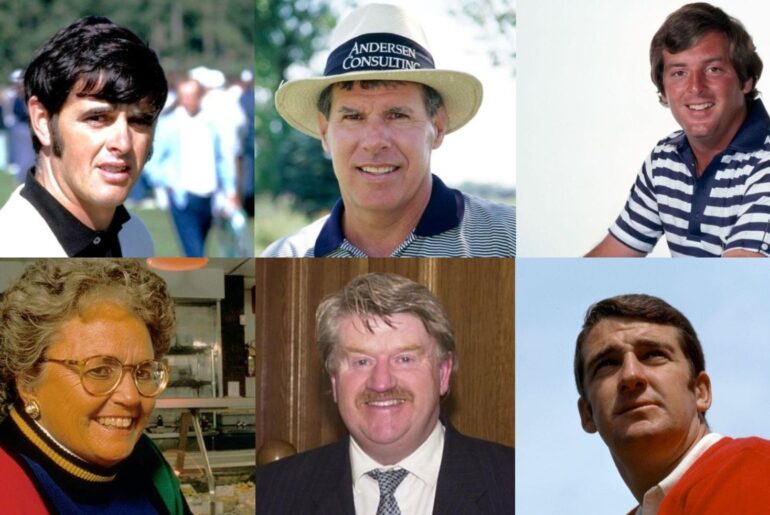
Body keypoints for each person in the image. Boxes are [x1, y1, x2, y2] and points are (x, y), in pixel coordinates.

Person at [262, 3, 516, 257]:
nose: (374, 141)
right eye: (353, 116)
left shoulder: (515, 239)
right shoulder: (285, 255)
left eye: (397, 115)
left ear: (437, 127)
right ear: (325, 132)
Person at [256, 272, 514, 514]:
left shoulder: (518, 483)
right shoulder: (271, 492)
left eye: (404, 359)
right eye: (361, 361)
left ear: (443, 373)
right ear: (334, 382)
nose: (381, 383)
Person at [0, 259, 190, 513]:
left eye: (143, 371)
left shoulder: (148, 459)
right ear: (28, 383)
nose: (131, 396)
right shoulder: (8, 483)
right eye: (100, 370)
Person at [587, 3, 770, 257]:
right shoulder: (665, 158)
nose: (696, 87)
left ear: (746, 79)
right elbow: (610, 257)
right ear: (663, 91)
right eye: (679, 72)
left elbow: (741, 280)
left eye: (713, 69)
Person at [574, 294, 770, 514]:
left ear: (700, 391)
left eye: (653, 355)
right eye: (607, 364)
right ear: (587, 413)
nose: (630, 375)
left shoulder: (755, 469)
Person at [0, 16, 168, 257]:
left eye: (139, 120)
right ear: (42, 121)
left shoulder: (135, 237)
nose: (122, 142)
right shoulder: (10, 249)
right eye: (97, 118)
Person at [145, 77, 239, 257]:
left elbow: (221, 161)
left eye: (192, 95)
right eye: (184, 96)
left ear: (200, 96)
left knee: (200, 250)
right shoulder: (169, 125)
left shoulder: (210, 124)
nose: (188, 100)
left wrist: (230, 191)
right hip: (183, 199)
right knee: (194, 253)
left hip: (208, 198)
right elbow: (152, 162)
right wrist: (169, 182)